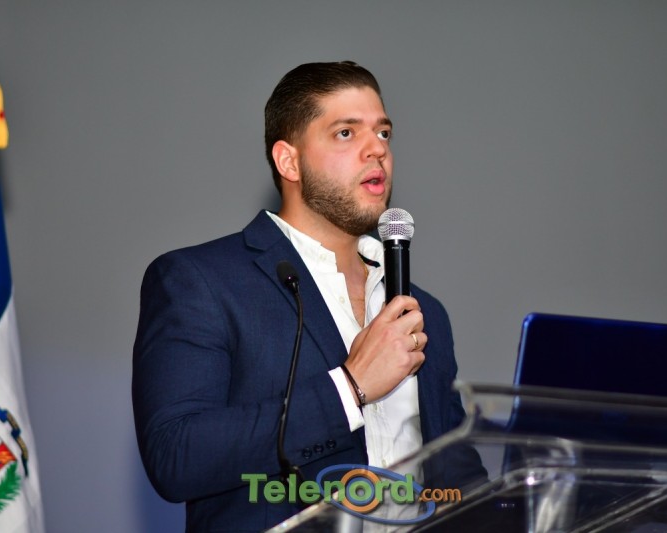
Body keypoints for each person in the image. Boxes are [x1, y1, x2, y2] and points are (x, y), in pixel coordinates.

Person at [132, 61, 471, 532]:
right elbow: (176, 455)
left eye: (384, 133)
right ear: (289, 162)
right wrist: (350, 387)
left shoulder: (423, 311)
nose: (377, 149)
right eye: (346, 133)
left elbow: (458, 479)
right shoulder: (201, 281)